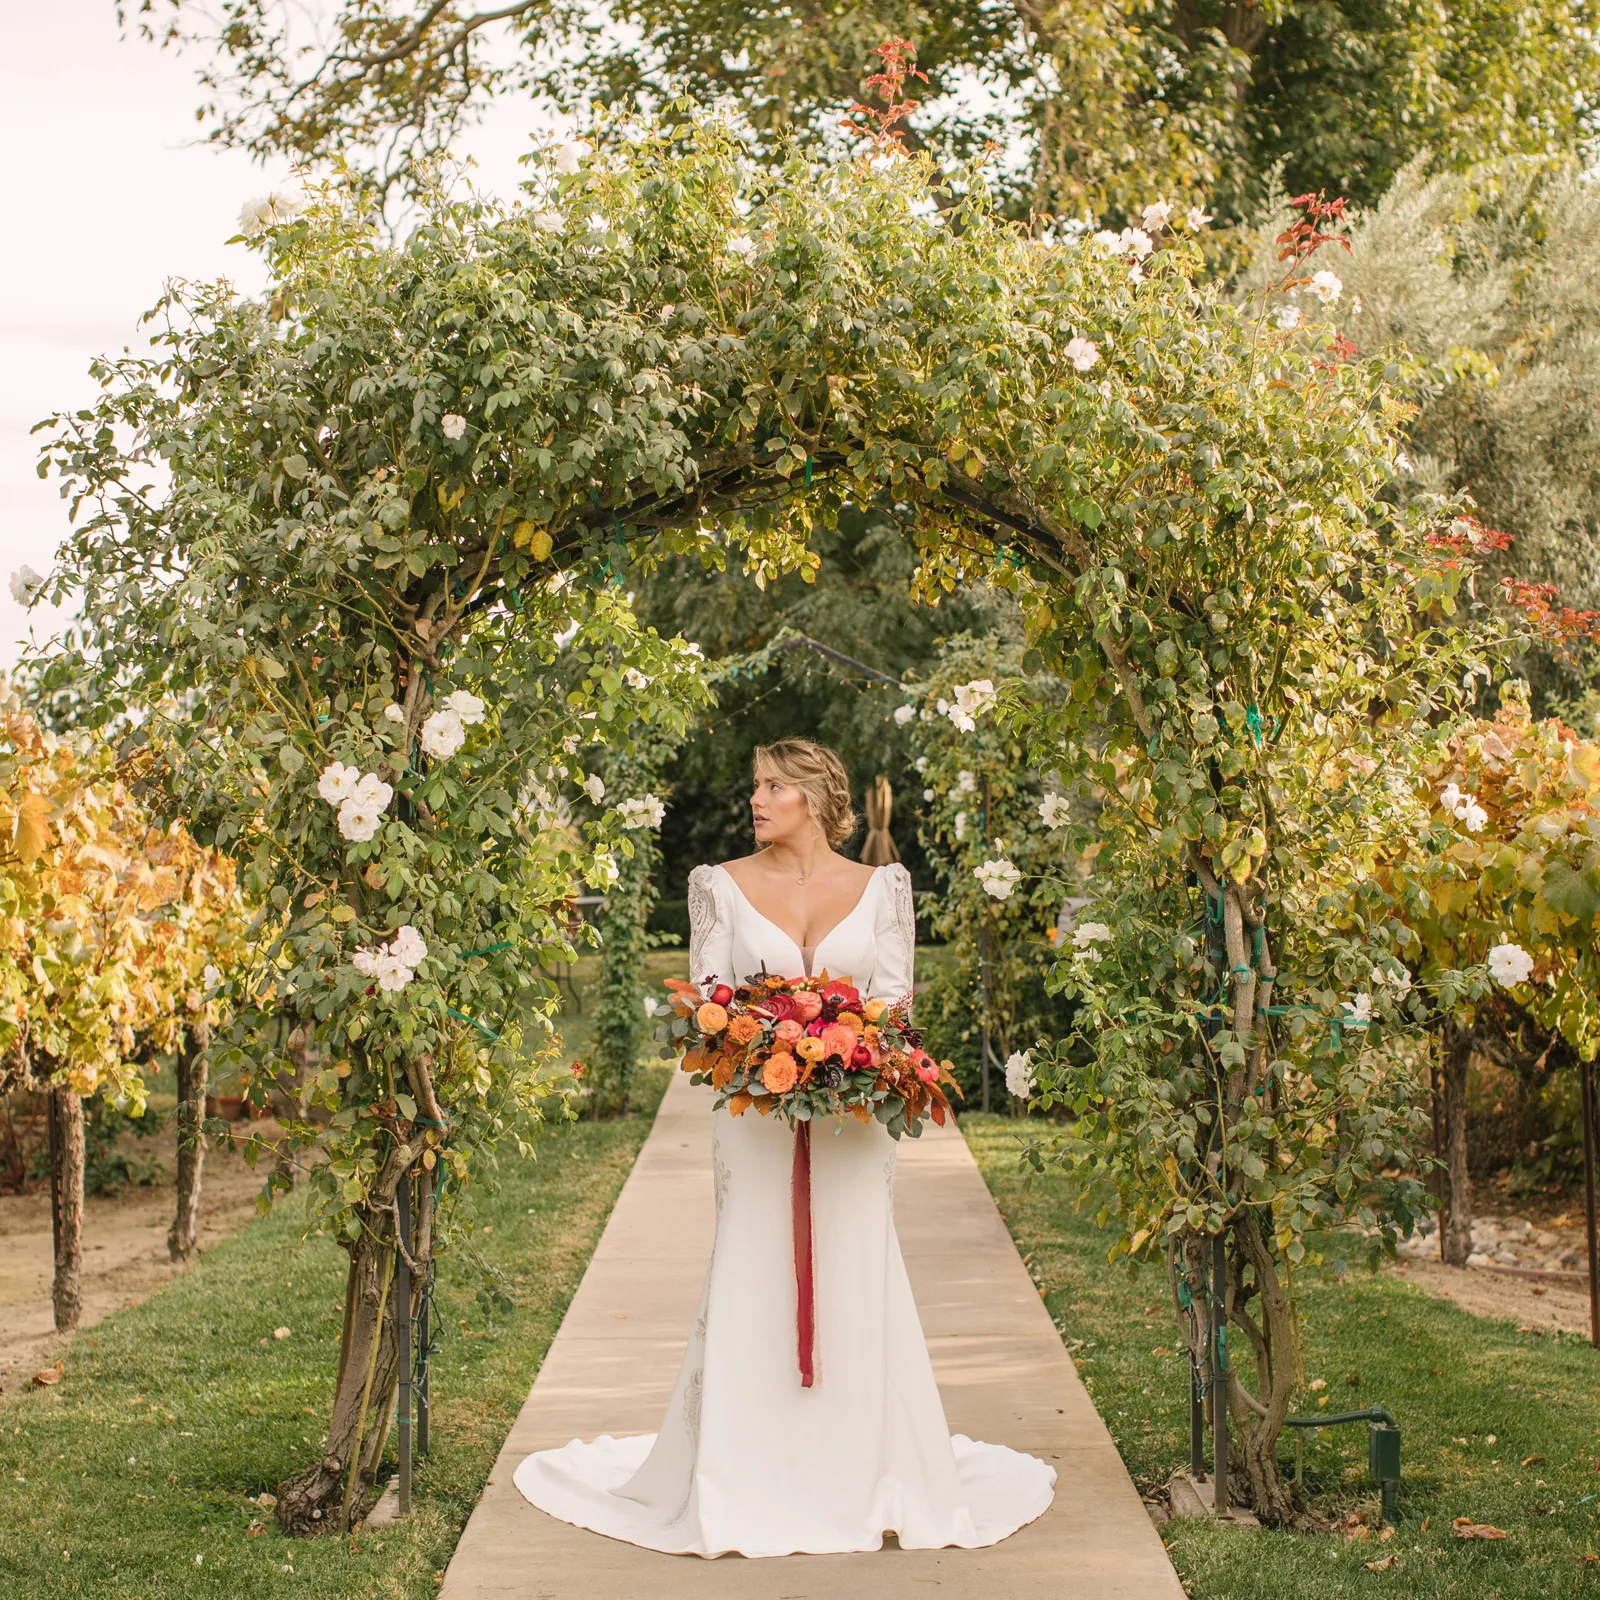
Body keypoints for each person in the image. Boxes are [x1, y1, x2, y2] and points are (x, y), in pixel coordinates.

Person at [513, 737, 1056, 1557]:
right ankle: (741, 1477)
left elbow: (894, 1009)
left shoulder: (884, 888)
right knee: (753, 1262)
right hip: (754, 1119)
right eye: (755, 786)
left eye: (772, 787)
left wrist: (855, 1058)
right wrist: (766, 1047)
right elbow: (707, 1004)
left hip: (857, 1124)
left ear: (814, 796)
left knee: (856, 1266)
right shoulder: (718, 886)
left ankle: (869, 1471)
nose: (756, 801)